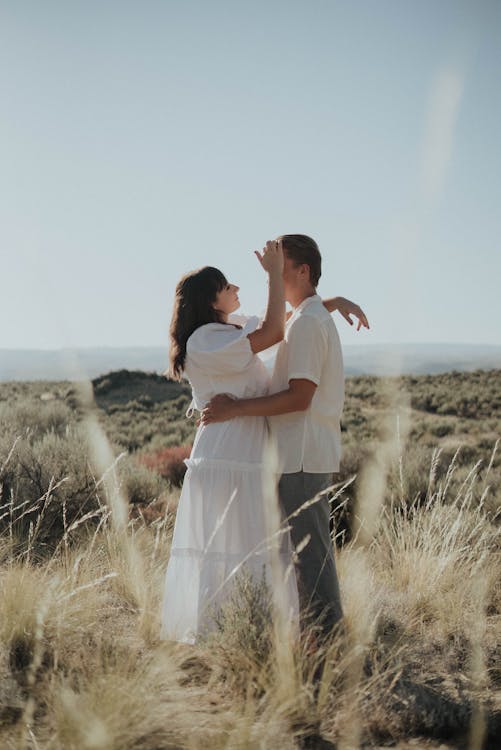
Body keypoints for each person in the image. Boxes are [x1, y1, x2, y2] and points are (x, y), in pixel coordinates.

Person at [201, 234, 369, 643]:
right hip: (296, 455)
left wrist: (234, 410)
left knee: (311, 556)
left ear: (303, 271)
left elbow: (300, 397)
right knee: (301, 555)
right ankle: (314, 639)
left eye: (280, 269)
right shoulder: (305, 318)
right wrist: (336, 300)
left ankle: (327, 646)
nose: (272, 276)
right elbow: (289, 320)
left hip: (302, 456)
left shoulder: (309, 324)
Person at [160, 240, 300, 643]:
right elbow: (275, 331)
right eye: (226, 285)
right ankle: (222, 634)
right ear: (210, 298)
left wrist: (335, 302)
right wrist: (273, 274)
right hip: (229, 450)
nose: (235, 287)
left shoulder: (228, 329)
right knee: (233, 541)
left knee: (252, 540)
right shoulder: (205, 339)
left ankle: (257, 631)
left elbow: (288, 319)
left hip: (249, 444)